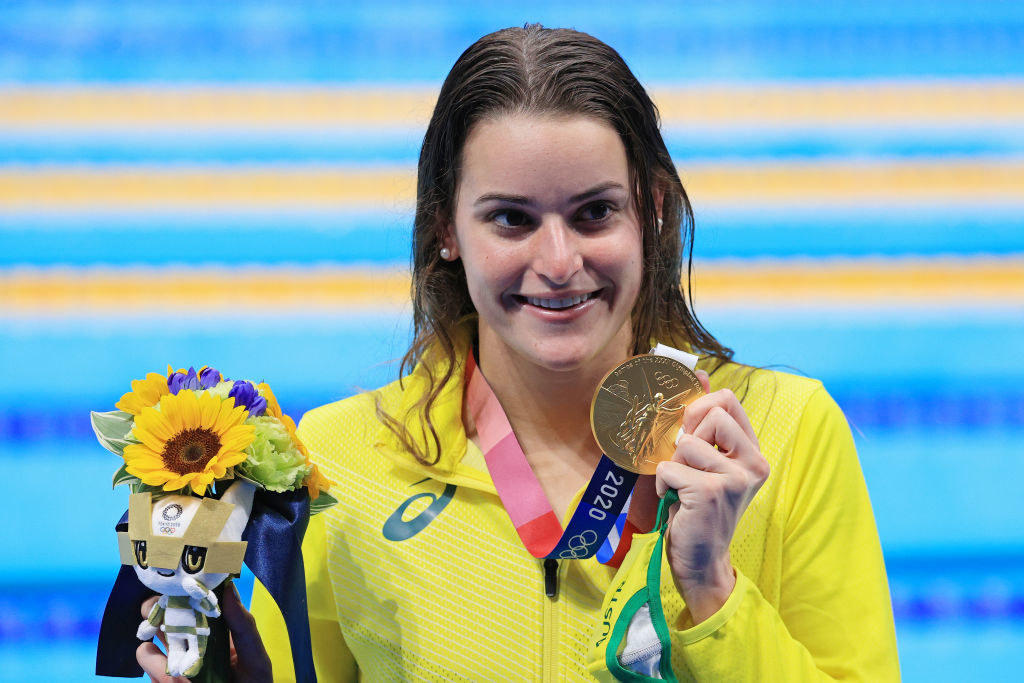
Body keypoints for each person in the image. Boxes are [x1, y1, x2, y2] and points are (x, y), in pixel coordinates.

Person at [137, 24, 899, 681]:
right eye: (511, 219)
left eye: (595, 212)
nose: (559, 260)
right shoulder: (340, 462)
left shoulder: (788, 431)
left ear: (653, 211)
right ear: (446, 229)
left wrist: (711, 588)